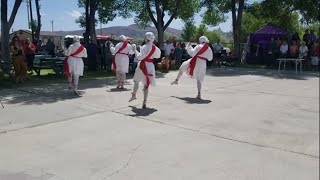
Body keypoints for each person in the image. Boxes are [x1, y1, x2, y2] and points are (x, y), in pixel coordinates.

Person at [128, 32, 161, 109]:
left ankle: (134, 95)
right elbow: (157, 56)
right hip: (150, 66)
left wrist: (135, 50)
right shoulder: (155, 48)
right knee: (146, 84)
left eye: (145, 37)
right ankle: (144, 101)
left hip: (142, 65)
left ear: (147, 38)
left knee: (136, 80)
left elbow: (140, 57)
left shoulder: (144, 47)